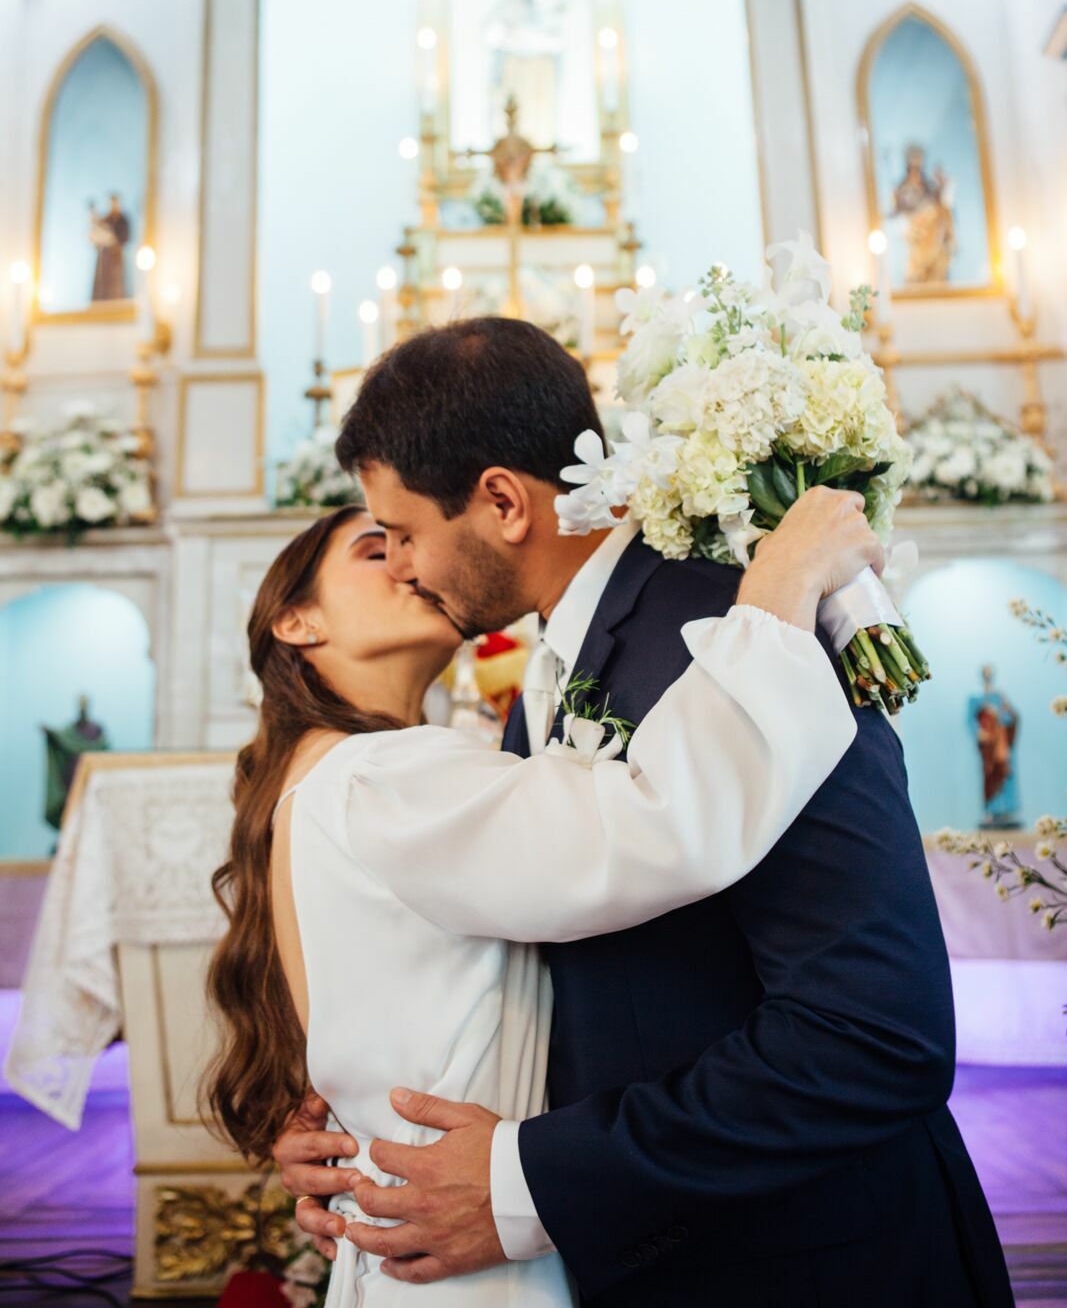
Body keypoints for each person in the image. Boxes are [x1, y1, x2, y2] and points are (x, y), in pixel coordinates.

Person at [278, 319, 1013, 1308]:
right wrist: (364, 1135)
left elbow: (872, 1035)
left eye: (401, 533)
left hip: (814, 1268)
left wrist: (530, 1181)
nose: (401, 566)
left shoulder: (743, 636)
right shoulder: (541, 681)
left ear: (502, 502)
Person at [207, 489, 866, 1307]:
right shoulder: (376, 777)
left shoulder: (334, 777)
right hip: (471, 1254)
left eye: (406, 538)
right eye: (376, 550)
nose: (408, 562)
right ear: (297, 622)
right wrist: (776, 592)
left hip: (428, 1233)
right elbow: (657, 829)